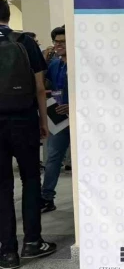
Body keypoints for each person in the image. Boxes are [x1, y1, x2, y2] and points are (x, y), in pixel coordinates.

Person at [0, 0, 57, 269]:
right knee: (31, 179)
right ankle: (32, 242)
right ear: (8, 15)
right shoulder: (25, 42)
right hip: (24, 120)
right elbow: (39, 88)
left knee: (2, 186)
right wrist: (43, 122)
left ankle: (7, 252)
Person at [40, 26, 70, 213]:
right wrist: (43, 61)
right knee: (53, 158)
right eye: (56, 42)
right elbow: (43, 84)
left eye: (63, 42)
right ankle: (46, 198)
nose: (59, 45)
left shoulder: (80, 63)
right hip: (59, 119)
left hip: (81, 118)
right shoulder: (54, 64)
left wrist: (74, 106)